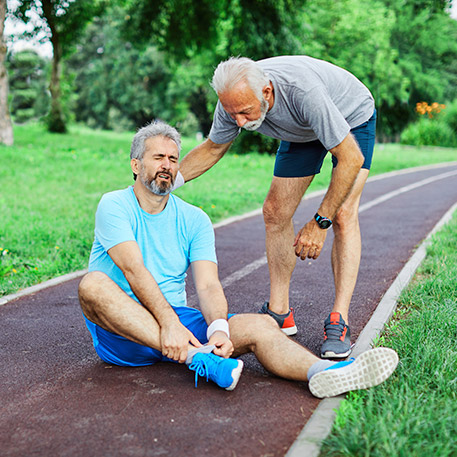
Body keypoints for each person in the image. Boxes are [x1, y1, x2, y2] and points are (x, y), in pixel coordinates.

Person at [78, 120, 398, 398]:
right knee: (92, 285)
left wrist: (217, 329)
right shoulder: (114, 205)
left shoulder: (195, 219)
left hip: (180, 326)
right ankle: (196, 359)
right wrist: (169, 325)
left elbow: (207, 284)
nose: (167, 165)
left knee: (261, 324)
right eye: (158, 157)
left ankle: (324, 373)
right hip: (125, 331)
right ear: (136, 164)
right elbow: (134, 270)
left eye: (173, 159)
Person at [173, 56, 377, 359]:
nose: (239, 122)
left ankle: (339, 319)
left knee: (343, 215)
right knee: (275, 211)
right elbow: (213, 147)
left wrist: (321, 221)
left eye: (245, 112)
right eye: (233, 113)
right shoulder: (233, 100)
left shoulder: (302, 92)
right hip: (301, 131)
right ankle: (280, 312)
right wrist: (164, 183)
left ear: (267, 92)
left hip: (350, 119)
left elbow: (351, 159)